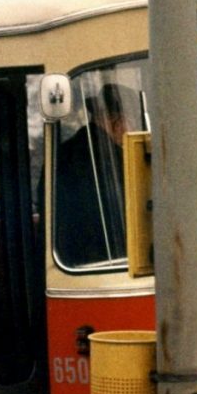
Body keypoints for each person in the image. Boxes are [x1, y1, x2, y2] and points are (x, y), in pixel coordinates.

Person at [54, 83, 139, 266]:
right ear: (119, 122)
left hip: (71, 259)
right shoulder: (116, 159)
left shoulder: (63, 153)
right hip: (109, 261)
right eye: (133, 122)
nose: (133, 130)